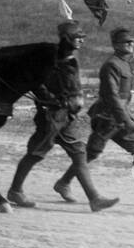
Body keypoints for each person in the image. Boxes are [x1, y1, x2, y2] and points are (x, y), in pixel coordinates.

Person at [6, 22, 119, 212]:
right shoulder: (50, 58)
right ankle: (15, 191)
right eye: (78, 37)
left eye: (82, 37)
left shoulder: (71, 58)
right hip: (51, 115)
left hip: (67, 116)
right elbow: (35, 81)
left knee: (79, 153)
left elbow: (72, 85)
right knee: (35, 154)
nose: (82, 40)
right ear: (67, 38)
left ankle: (94, 198)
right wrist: (49, 98)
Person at [54, 28, 134, 209]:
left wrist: (126, 117)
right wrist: (126, 119)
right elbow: (111, 96)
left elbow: (123, 97)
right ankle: (63, 183)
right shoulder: (111, 65)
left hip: (118, 117)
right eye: (126, 42)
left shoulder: (125, 64)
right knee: (90, 154)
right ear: (115, 45)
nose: (131, 45)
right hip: (106, 118)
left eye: (132, 42)